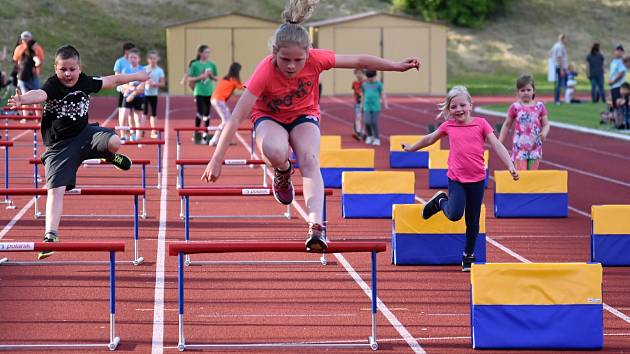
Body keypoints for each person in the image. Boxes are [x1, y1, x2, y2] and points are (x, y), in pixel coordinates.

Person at [201, 0, 420, 251]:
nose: (292, 66)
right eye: (285, 59)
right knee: (275, 151)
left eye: (298, 59)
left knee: (310, 159)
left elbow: (359, 59)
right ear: (274, 53)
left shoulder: (317, 59)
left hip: (304, 115)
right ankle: (282, 172)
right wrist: (217, 158)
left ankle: (316, 226)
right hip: (269, 117)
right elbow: (237, 115)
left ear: (309, 52)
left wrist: (396, 66)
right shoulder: (264, 72)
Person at [7, 45, 149, 260]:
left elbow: (113, 80)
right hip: (59, 147)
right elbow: (40, 93)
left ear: (79, 68)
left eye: (72, 69)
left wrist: (137, 75)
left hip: (85, 135)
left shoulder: (84, 81)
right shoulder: (53, 85)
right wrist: (23, 99)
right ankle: (51, 236)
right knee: (55, 191)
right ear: (55, 68)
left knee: (115, 141)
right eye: (63, 69)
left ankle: (110, 155)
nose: (68, 74)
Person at [402, 86, 518, 271]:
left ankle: (468, 256)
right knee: (455, 214)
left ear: (470, 105)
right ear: (448, 110)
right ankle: (440, 201)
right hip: (457, 179)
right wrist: (412, 148)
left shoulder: (481, 124)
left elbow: (496, 144)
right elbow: (429, 139)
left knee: (473, 221)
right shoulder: (448, 126)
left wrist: (510, 164)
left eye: (462, 105)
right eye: (454, 107)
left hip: (478, 179)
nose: (459, 110)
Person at [498, 74, 550, 170]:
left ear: (533, 91)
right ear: (518, 92)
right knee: (522, 176)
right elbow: (506, 125)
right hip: (520, 149)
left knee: (531, 176)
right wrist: (500, 141)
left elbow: (546, 124)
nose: (526, 92)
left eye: (528, 90)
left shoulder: (540, 106)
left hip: (535, 148)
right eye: (522, 90)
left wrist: (544, 132)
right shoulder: (515, 107)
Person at [188, 44, 218, 144]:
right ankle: (196, 134)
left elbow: (216, 78)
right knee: (200, 112)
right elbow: (189, 78)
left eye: (208, 52)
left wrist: (211, 75)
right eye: (205, 52)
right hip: (199, 91)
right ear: (200, 53)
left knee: (207, 113)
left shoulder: (212, 64)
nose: (207, 54)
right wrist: (200, 77)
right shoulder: (195, 64)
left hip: (209, 91)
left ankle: (205, 134)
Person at [209, 62, 244, 146]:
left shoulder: (225, 78)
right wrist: (251, 84)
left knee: (228, 120)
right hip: (219, 100)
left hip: (215, 99)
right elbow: (241, 87)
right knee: (227, 121)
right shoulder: (233, 79)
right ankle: (214, 140)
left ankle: (225, 139)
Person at [120, 48, 146, 140]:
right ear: (128, 59)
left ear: (139, 59)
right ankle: (123, 135)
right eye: (131, 58)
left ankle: (138, 137)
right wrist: (130, 87)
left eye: (135, 58)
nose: (133, 59)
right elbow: (122, 84)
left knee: (138, 117)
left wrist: (133, 94)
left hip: (138, 96)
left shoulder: (142, 70)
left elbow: (142, 87)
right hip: (127, 95)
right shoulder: (125, 69)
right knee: (124, 114)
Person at [113, 42, 135, 139]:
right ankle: (123, 133)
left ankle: (132, 131)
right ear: (126, 51)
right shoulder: (120, 61)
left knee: (132, 112)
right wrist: (124, 87)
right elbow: (117, 76)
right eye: (131, 50)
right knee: (123, 111)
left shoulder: (133, 60)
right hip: (123, 89)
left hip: (133, 89)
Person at [143, 49, 166, 138]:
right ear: (148, 59)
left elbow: (163, 83)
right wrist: (146, 83)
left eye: (154, 58)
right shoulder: (144, 69)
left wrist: (155, 84)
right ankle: (141, 130)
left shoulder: (159, 71)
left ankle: (153, 131)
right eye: (151, 58)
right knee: (144, 113)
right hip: (144, 94)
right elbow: (139, 81)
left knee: (153, 113)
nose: (152, 60)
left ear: (157, 59)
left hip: (153, 94)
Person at [362, 69, 388, 146]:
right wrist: (361, 105)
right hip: (366, 106)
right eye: (368, 77)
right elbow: (363, 95)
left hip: (376, 107)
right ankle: (369, 136)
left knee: (374, 122)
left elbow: (383, 94)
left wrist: (385, 104)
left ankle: (376, 138)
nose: (369, 79)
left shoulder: (378, 84)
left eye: (371, 77)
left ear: (375, 76)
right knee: (367, 122)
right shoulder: (365, 85)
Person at [550, 34, 569, 105]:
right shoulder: (560, 46)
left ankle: (557, 99)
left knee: (558, 84)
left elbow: (550, 53)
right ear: (563, 39)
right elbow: (559, 57)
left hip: (556, 66)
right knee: (559, 84)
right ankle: (557, 100)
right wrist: (561, 69)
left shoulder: (555, 45)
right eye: (565, 39)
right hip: (559, 67)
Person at [608, 44, 627, 110]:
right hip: (613, 86)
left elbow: (621, 73)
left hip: (619, 87)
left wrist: (612, 82)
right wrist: (610, 80)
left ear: (623, 52)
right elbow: (612, 74)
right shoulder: (613, 62)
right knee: (613, 106)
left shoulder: (621, 61)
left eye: (621, 50)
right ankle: (616, 119)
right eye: (617, 50)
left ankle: (620, 119)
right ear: (614, 51)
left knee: (618, 106)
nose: (619, 52)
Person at [351, 68, 366, 141]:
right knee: (358, 117)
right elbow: (355, 92)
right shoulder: (354, 83)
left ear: (363, 74)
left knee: (365, 118)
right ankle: (358, 132)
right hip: (358, 102)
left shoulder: (365, 83)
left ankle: (363, 131)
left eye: (360, 73)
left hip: (365, 103)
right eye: (357, 73)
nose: (359, 75)